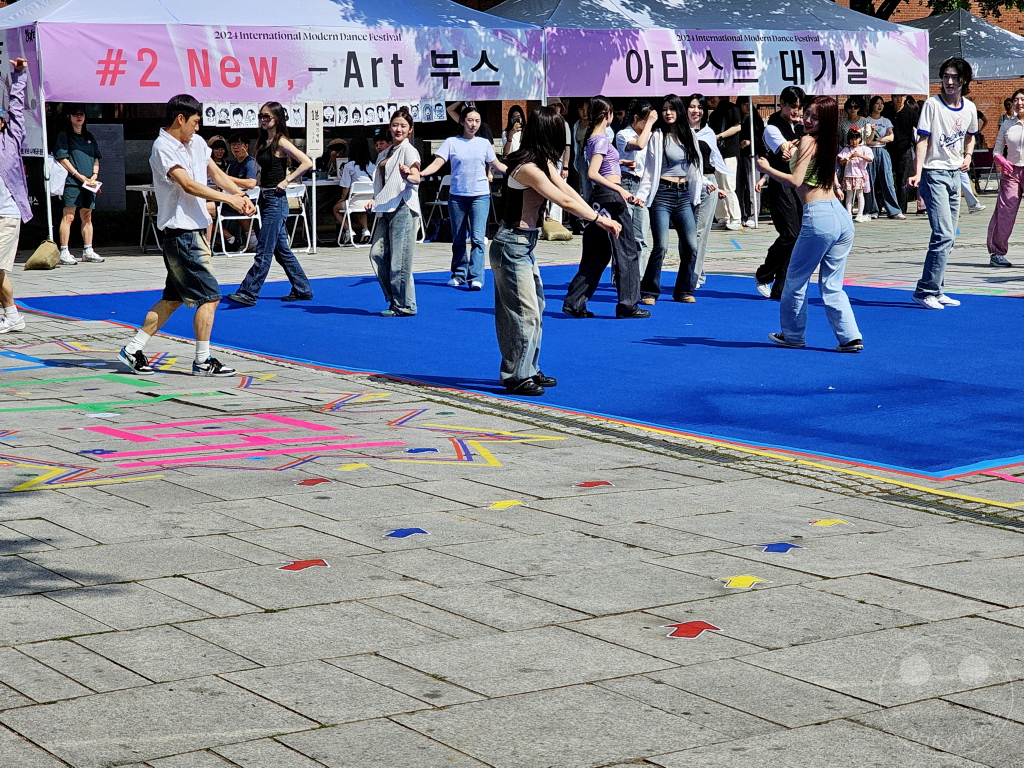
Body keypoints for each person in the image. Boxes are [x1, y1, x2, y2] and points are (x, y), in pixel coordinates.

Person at [117, 94, 255, 375]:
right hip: (182, 234)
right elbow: (188, 185)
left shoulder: (197, 143)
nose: (197, 127)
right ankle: (202, 361)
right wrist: (228, 201)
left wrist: (238, 193)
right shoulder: (162, 147)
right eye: (194, 122)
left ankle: (132, 349)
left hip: (195, 232)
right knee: (210, 296)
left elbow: (214, 172)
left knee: (173, 298)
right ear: (180, 119)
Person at [492, 106, 621, 396]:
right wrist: (600, 220)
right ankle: (516, 375)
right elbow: (563, 201)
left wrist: (597, 214)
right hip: (511, 244)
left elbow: (568, 190)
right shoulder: (527, 168)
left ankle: (527, 367)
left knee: (535, 308)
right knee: (523, 312)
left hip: (524, 244)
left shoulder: (543, 163)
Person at [757, 96, 863, 353]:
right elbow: (805, 177)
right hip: (840, 218)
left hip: (819, 217)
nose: (806, 119)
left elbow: (794, 180)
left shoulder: (807, 141)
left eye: (814, 117)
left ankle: (793, 334)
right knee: (831, 284)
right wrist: (793, 154)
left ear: (825, 121)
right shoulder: (826, 143)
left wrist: (767, 168)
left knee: (795, 279)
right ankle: (850, 337)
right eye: (806, 114)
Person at [562, 96, 647, 319]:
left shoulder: (592, 139)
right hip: (610, 198)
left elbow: (598, 166)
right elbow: (593, 173)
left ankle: (575, 301)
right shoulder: (600, 139)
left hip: (601, 199)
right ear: (607, 114)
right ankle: (628, 304)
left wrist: (619, 163)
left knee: (597, 253)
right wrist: (621, 190)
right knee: (627, 250)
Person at [908, 56, 980, 310]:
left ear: (963, 81)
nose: (949, 82)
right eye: (945, 77)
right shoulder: (932, 105)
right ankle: (925, 290)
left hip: (955, 174)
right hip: (934, 172)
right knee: (943, 233)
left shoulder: (969, 108)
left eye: (954, 78)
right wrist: (917, 172)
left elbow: (971, 137)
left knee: (949, 237)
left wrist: (968, 157)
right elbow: (922, 140)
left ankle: (936, 288)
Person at [226, 102, 314, 307]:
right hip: (266, 198)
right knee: (280, 249)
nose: (263, 120)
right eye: (261, 116)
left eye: (267, 116)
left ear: (277, 118)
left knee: (264, 248)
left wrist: (286, 181)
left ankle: (249, 292)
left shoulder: (280, 141)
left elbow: (306, 162)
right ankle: (302, 288)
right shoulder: (264, 141)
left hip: (275, 199)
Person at [421, 104, 506, 290]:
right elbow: (437, 163)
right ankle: (459, 273)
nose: (473, 124)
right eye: (470, 120)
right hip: (457, 196)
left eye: (477, 121)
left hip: (480, 196)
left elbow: (498, 165)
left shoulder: (484, 143)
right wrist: (420, 174)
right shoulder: (452, 142)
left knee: (477, 238)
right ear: (462, 121)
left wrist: (519, 171)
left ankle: (476, 276)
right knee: (458, 238)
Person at [637, 93, 703, 303]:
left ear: (679, 111)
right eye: (664, 109)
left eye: (672, 109)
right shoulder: (657, 136)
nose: (668, 113)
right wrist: (641, 195)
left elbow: (695, 168)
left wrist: (707, 185)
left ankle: (684, 290)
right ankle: (649, 291)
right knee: (661, 246)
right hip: (662, 195)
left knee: (691, 245)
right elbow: (649, 169)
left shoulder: (689, 135)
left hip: (683, 194)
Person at [365, 108, 421, 316]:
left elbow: (416, 176)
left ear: (410, 130)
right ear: (390, 127)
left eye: (403, 126)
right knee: (377, 253)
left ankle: (405, 305)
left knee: (400, 260)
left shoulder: (409, 150)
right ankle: (394, 298)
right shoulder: (385, 152)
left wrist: (409, 174)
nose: (398, 129)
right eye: (395, 125)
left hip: (403, 207)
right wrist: (374, 199)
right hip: (384, 209)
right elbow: (383, 183)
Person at [754, 86, 804, 299]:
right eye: (793, 107)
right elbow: (786, 150)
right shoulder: (772, 127)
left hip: (799, 187)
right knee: (789, 234)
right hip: (780, 186)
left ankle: (781, 288)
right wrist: (793, 147)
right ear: (782, 103)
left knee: (798, 237)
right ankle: (764, 273)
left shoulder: (800, 127)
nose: (797, 112)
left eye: (800, 108)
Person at [0, 58, 32, 335]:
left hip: (7, 214)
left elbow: (17, 109)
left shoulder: (11, 140)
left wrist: (19, 75)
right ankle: (12, 316)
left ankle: (12, 316)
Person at [55, 103, 104, 265]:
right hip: (72, 181)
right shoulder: (64, 136)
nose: (79, 116)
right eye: (75, 114)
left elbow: (96, 157)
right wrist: (78, 175)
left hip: (89, 182)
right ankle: (63, 251)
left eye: (81, 114)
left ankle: (88, 250)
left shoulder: (89, 136)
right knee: (69, 216)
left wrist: (94, 175)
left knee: (87, 216)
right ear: (69, 117)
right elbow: (62, 158)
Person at [688, 94, 728, 291]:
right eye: (692, 106)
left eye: (700, 107)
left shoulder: (708, 133)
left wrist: (716, 186)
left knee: (700, 232)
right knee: (686, 234)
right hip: (685, 185)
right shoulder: (677, 133)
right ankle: (695, 271)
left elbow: (713, 163)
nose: (696, 111)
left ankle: (693, 275)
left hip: (708, 185)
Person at [615, 99, 657, 277]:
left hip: (643, 186)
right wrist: (650, 124)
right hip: (626, 183)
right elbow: (638, 145)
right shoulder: (623, 134)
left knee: (641, 237)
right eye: (645, 120)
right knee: (623, 235)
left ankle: (637, 278)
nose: (648, 124)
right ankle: (620, 276)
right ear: (636, 118)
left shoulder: (651, 136)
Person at [986, 88, 1024, 268]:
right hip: (1011, 173)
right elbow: (997, 149)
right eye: (1016, 100)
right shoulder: (1007, 125)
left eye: (1022, 99)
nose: (1019, 103)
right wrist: (1001, 159)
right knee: (1005, 213)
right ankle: (997, 252)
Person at [864, 95, 905, 220]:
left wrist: (877, 139)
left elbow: (891, 138)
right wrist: (879, 139)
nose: (879, 105)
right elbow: (867, 141)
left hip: (883, 151)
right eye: (876, 103)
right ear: (872, 105)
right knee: (870, 181)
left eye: (881, 103)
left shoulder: (886, 121)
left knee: (887, 181)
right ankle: (872, 210)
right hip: (869, 152)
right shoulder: (866, 120)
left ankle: (893, 210)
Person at [707, 96, 743, 229]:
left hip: (729, 151)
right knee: (718, 185)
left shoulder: (732, 108)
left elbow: (737, 127)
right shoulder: (714, 114)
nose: (710, 100)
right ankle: (722, 218)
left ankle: (736, 218)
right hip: (717, 153)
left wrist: (719, 136)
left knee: (728, 185)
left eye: (712, 97)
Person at [219, 133, 258, 252]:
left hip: (247, 201)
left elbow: (251, 183)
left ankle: (239, 239)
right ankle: (231, 237)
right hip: (232, 200)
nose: (235, 147)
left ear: (246, 146)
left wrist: (227, 178)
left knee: (207, 209)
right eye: (233, 145)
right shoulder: (233, 165)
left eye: (238, 145)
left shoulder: (251, 162)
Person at [333, 137, 375, 245]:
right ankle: (365, 230)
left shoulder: (349, 166)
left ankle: (348, 231)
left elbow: (345, 187)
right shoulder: (373, 166)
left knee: (336, 209)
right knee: (359, 207)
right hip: (369, 202)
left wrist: (342, 198)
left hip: (354, 201)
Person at [882, 94, 919, 214]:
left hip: (905, 150)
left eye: (902, 96)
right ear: (892, 97)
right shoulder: (886, 111)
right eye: (896, 96)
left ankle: (901, 209)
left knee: (902, 181)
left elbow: (920, 127)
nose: (899, 99)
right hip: (888, 149)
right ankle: (885, 206)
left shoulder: (910, 113)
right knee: (885, 179)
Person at [737, 96, 765, 228]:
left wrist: (750, 142)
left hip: (752, 155)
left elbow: (761, 138)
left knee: (752, 184)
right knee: (739, 186)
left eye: (749, 104)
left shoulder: (756, 119)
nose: (747, 107)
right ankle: (741, 214)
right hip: (739, 155)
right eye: (744, 104)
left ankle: (753, 215)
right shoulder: (738, 120)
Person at [839, 129, 873, 222]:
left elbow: (870, 159)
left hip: (859, 175)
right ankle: (849, 213)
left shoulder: (864, 149)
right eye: (852, 139)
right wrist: (849, 157)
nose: (854, 141)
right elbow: (840, 160)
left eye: (856, 139)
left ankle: (860, 214)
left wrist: (859, 155)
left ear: (860, 139)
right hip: (848, 175)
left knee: (860, 194)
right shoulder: (846, 149)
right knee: (849, 195)